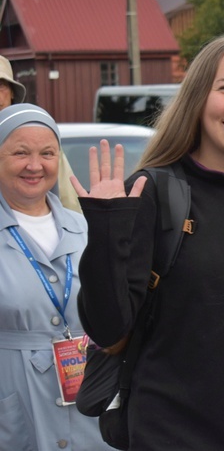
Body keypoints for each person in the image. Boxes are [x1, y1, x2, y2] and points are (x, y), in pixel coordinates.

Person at [72, 35, 224, 449]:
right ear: (197, 97)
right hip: (170, 431)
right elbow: (108, 329)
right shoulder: (152, 192)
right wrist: (107, 230)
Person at [0, 103, 110, 450]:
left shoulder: (85, 227)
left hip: (88, 399)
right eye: (20, 153)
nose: (35, 165)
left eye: (47, 153)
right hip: (16, 402)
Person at [0, 54, 81, 212]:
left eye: (0, 86)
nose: (34, 165)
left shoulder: (38, 138)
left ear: (12, 93)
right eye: (21, 153)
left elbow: (68, 201)